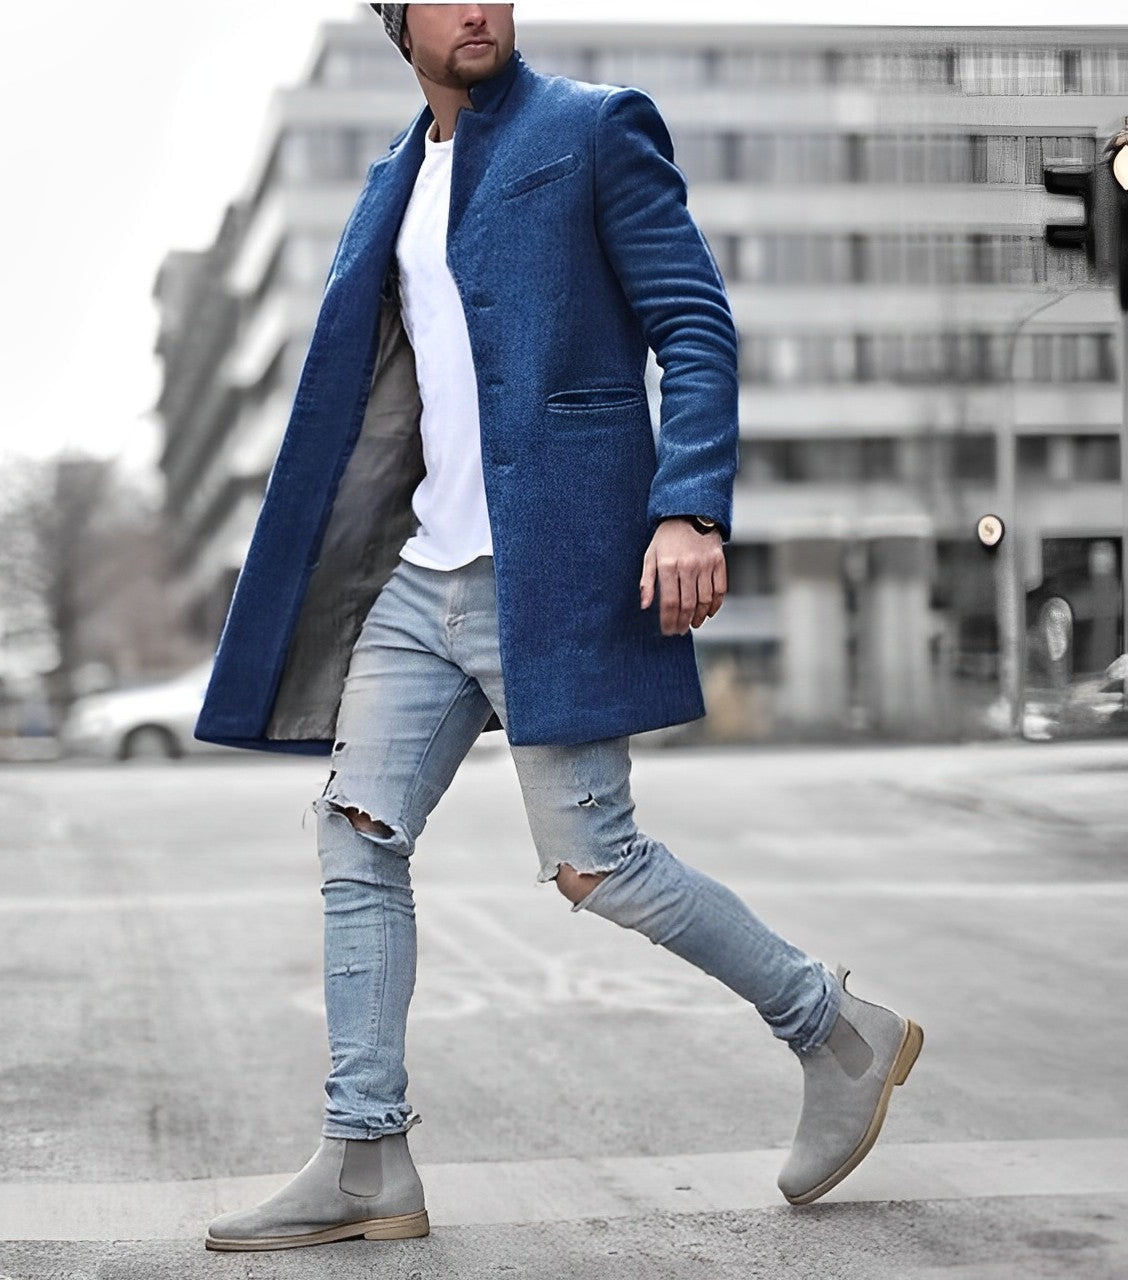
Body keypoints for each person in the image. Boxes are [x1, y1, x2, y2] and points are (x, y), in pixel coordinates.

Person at [201, 4, 923, 1253]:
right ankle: (366, 1150)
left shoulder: (592, 130)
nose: (477, 7)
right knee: (356, 835)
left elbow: (692, 323)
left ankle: (834, 1027)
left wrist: (687, 507)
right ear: (396, 20)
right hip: (419, 578)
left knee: (597, 863)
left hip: (556, 573)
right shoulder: (391, 180)